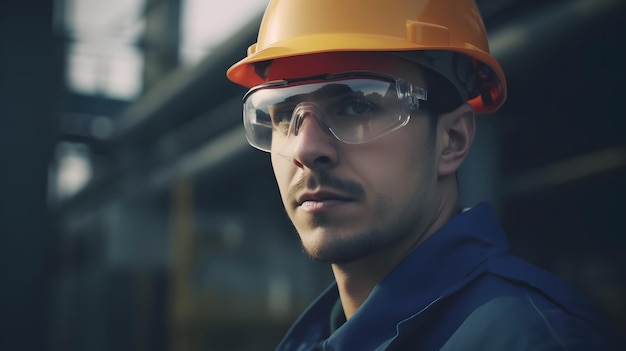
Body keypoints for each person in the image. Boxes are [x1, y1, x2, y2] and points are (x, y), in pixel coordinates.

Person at [226, 0, 625, 350]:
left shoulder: (532, 340)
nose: (305, 149)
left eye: (356, 106)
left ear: (451, 140)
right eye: (283, 116)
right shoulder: (318, 340)